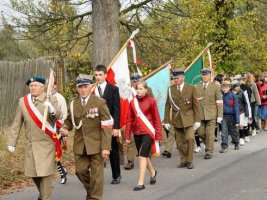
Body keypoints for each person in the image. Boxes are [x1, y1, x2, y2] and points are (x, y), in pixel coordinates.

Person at [7, 75, 61, 200]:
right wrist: (12, 142)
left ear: (42, 87)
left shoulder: (50, 99)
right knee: (34, 173)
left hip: (46, 144)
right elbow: (17, 123)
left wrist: (52, 109)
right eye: (31, 86)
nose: (32, 88)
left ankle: (46, 196)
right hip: (31, 144)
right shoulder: (23, 101)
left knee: (45, 174)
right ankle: (43, 193)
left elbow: (58, 116)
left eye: (35, 85)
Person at [60, 74, 113, 200]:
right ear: (77, 89)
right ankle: (92, 191)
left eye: (85, 86)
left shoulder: (99, 103)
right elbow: (69, 120)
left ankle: (95, 197)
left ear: (91, 87)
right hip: (80, 145)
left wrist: (106, 147)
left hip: (97, 144)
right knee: (80, 171)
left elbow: (107, 125)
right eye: (80, 87)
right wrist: (65, 128)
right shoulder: (73, 103)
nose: (83, 89)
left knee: (97, 175)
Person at [125, 80, 162, 191]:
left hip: (148, 132)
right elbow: (129, 119)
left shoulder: (151, 101)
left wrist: (158, 135)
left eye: (141, 89)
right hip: (137, 132)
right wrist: (127, 135)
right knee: (144, 155)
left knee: (141, 155)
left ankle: (140, 183)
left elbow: (156, 119)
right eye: (137, 89)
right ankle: (153, 172)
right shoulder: (133, 102)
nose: (139, 91)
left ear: (146, 90)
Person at [164, 68, 200, 169]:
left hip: (189, 118)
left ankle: (189, 160)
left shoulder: (191, 88)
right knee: (180, 143)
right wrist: (166, 120)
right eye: (174, 78)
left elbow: (196, 105)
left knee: (190, 138)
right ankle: (183, 160)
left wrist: (197, 120)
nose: (175, 80)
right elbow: (168, 105)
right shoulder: (170, 89)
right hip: (177, 119)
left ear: (183, 78)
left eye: (177, 78)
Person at [93, 64, 121, 184]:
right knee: (95, 151)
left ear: (105, 75)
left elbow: (117, 109)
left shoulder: (113, 89)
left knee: (113, 150)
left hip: (109, 125)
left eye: (100, 75)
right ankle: (96, 177)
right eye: (96, 75)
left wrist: (116, 127)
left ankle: (116, 175)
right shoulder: (91, 89)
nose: (98, 77)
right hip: (95, 126)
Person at [195, 68, 223, 159]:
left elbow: (219, 101)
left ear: (210, 76)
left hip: (212, 114)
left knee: (210, 134)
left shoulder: (215, 87)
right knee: (201, 133)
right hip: (201, 114)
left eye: (206, 75)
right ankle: (209, 145)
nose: (205, 76)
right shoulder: (197, 86)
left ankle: (209, 152)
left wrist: (219, 115)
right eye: (203, 75)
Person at [51, 80, 68, 184]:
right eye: (48, 84)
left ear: (56, 86)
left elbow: (64, 115)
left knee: (54, 152)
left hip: (58, 128)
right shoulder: (44, 97)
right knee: (49, 152)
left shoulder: (60, 97)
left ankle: (62, 173)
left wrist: (64, 130)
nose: (50, 86)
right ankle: (63, 171)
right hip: (48, 128)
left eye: (52, 84)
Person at [220, 80, 240, 153]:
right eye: (223, 88)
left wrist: (237, 121)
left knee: (233, 131)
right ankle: (224, 146)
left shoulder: (233, 95)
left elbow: (236, 108)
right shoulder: (220, 95)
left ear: (229, 88)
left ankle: (236, 143)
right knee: (224, 131)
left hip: (232, 116)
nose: (224, 89)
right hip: (223, 116)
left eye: (226, 87)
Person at [231, 80, 251, 146]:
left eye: (239, 86)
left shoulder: (241, 92)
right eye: (237, 86)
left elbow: (246, 103)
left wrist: (247, 113)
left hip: (241, 111)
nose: (238, 87)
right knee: (235, 126)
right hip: (233, 112)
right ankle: (235, 138)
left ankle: (241, 138)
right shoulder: (230, 93)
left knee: (241, 125)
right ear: (233, 87)